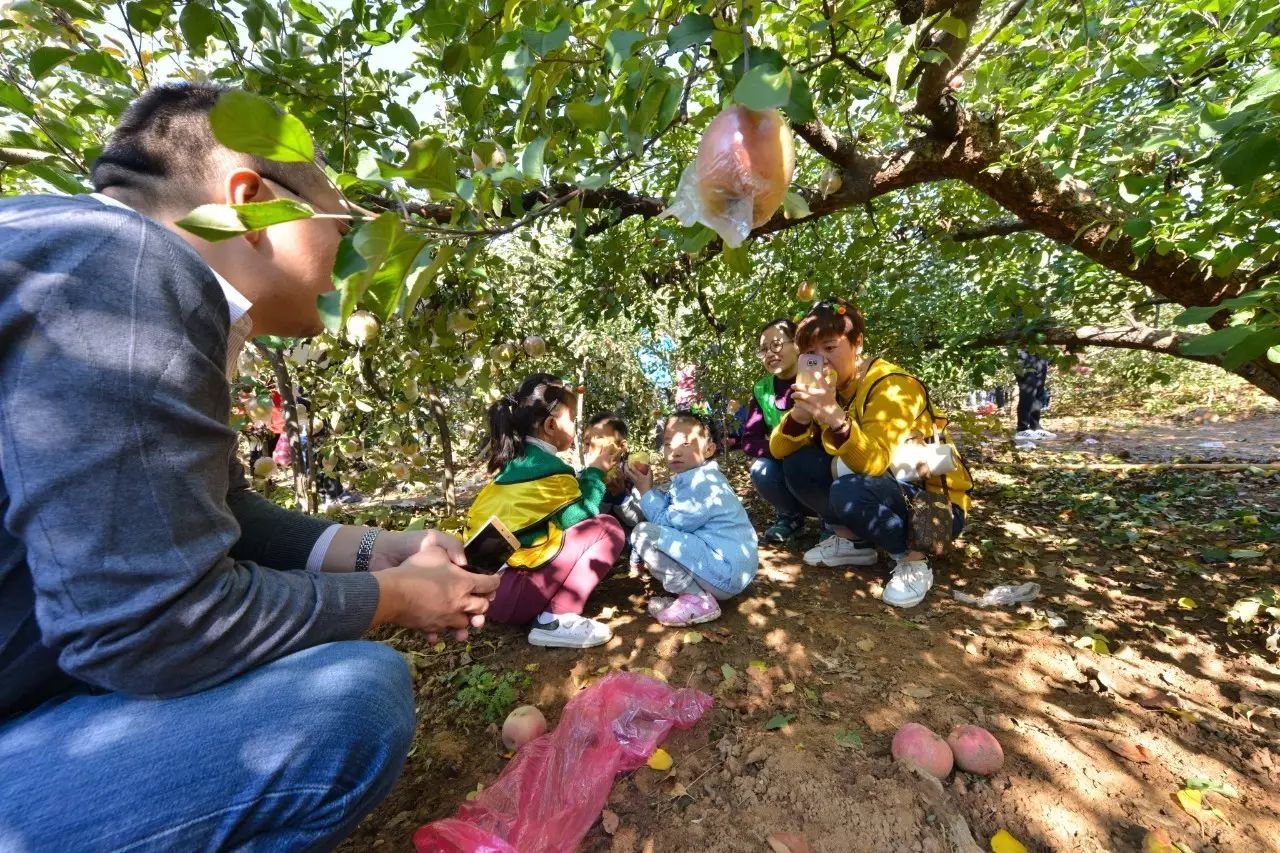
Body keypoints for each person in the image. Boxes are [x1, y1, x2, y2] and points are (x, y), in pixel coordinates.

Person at [0, 83, 503, 850]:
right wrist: (395, 598)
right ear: (251, 200)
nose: (351, 259)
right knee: (352, 700)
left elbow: (221, 514)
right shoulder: (128, 271)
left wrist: (379, 549)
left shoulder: (75, 248)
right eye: (339, 225)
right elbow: (153, 626)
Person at [770, 299, 973, 608]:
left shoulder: (892, 386)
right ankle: (854, 541)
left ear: (857, 343)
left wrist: (834, 416)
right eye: (811, 354)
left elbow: (874, 462)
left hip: (932, 508)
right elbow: (778, 448)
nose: (821, 361)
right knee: (798, 463)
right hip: (882, 486)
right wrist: (800, 414)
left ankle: (914, 559)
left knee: (850, 488)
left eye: (829, 347)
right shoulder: (833, 387)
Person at [467, 374, 625, 649]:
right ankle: (555, 620)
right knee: (607, 529)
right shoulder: (550, 468)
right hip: (512, 597)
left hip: (486, 594)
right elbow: (582, 515)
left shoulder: (516, 462)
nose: (576, 429)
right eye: (573, 420)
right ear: (551, 425)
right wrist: (597, 471)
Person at [627, 409, 759, 627]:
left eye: (685, 443)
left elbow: (667, 524)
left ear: (708, 449)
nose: (675, 451)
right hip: (731, 570)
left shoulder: (701, 485)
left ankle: (697, 599)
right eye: (668, 444)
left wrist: (646, 492)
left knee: (644, 534)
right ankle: (694, 594)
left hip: (725, 573)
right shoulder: (701, 477)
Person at [732, 317, 813, 544]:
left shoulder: (817, 377)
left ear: (797, 344)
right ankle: (790, 517)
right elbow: (749, 440)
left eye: (776, 345)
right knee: (761, 469)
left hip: (819, 460)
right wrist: (781, 450)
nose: (769, 354)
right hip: (785, 460)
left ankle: (833, 521)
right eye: (763, 350)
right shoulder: (762, 389)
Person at [585, 412, 645, 531]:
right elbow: (584, 517)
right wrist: (603, 497)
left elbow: (636, 519)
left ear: (621, 446)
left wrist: (620, 496)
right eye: (586, 443)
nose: (589, 448)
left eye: (597, 440)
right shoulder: (585, 477)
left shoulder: (633, 476)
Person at [1014, 349, 1057, 442]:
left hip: (1041, 353)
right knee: (1028, 391)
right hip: (1022, 353)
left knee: (1039, 391)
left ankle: (1036, 427)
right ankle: (1022, 429)